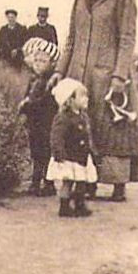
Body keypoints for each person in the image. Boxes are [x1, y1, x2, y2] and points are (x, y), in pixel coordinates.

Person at [55, 0, 138, 201]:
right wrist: (60, 72)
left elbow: (127, 39)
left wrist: (119, 76)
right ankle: (87, 182)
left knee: (113, 128)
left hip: (108, 76)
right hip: (79, 77)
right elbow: (71, 39)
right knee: (83, 129)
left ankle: (118, 185)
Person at [15, 37, 60, 196]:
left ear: (52, 63)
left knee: (46, 152)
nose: (38, 63)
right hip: (34, 122)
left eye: (43, 60)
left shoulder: (50, 81)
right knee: (36, 151)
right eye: (37, 60)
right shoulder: (33, 79)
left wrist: (28, 103)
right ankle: (35, 181)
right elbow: (29, 95)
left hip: (46, 121)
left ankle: (48, 183)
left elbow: (45, 100)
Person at [46, 78, 96, 218]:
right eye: (82, 96)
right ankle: (64, 206)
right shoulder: (63, 118)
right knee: (67, 182)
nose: (86, 98)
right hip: (68, 156)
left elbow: (87, 135)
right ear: (70, 99)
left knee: (81, 181)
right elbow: (57, 136)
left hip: (81, 156)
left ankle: (79, 204)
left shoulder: (83, 116)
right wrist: (58, 153)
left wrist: (91, 150)